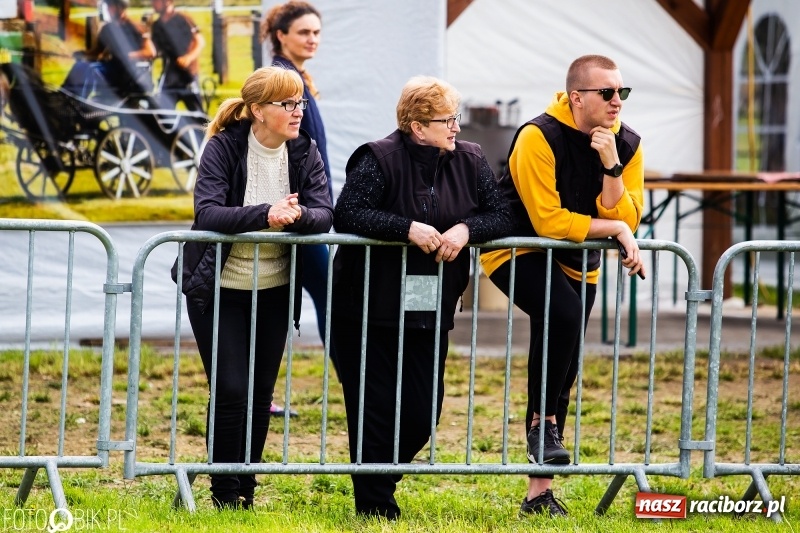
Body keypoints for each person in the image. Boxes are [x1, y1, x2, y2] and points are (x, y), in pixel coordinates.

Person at [329, 75, 514, 520]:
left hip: (430, 308)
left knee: (422, 411)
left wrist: (466, 229)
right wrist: (406, 228)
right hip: (367, 308)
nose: (456, 127)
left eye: (456, 118)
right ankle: (374, 507)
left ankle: (380, 480)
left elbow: (502, 213)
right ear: (417, 126)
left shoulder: (469, 160)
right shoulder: (378, 158)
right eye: (447, 119)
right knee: (373, 408)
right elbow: (347, 213)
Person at [480, 54, 646, 517]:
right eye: (607, 93)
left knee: (566, 362)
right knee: (564, 313)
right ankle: (543, 422)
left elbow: (629, 214)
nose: (617, 102)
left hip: (579, 263)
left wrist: (611, 166)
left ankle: (539, 492)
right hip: (516, 249)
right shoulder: (538, 135)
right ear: (577, 97)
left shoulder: (626, 143)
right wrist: (615, 231)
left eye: (622, 92)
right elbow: (549, 222)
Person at [170, 66, 333, 509]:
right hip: (219, 287)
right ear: (258, 110)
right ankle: (222, 493)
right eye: (287, 104)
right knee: (231, 389)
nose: (298, 112)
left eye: (300, 102)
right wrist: (267, 214)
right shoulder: (223, 148)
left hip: (275, 288)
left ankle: (245, 490)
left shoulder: (304, 153)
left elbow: (324, 212)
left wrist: (297, 217)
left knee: (260, 393)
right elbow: (208, 214)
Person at [261, 1, 331, 347]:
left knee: (279, 306)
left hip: (303, 212)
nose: (312, 39)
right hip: (295, 213)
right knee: (330, 300)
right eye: (304, 32)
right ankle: (358, 394)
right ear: (281, 35)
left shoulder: (297, 78)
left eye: (316, 32)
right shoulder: (283, 81)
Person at [61, 0, 155, 101]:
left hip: (128, 74)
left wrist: (129, 55)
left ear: (121, 7)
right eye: (108, 6)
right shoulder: (107, 29)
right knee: (81, 65)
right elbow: (96, 52)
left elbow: (150, 52)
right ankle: (64, 96)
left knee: (91, 70)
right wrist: (83, 54)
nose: (109, 9)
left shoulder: (136, 28)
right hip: (111, 69)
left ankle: (76, 102)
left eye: (111, 6)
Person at [149, 0, 205, 112]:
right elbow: (155, 50)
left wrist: (188, 57)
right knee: (165, 118)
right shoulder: (156, 25)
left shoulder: (183, 19)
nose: (152, 3)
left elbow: (200, 41)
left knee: (197, 117)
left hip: (187, 76)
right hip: (169, 76)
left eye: (155, 1)